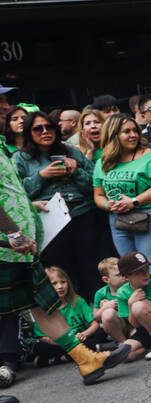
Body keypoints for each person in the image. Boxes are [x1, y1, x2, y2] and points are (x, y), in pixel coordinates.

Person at [0, 158, 130, 386]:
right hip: (8, 248)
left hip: (19, 252)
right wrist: (12, 233)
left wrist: (28, 210)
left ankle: (87, 360)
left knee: (44, 306)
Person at [15, 110, 111, 300]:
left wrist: (76, 172)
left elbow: (96, 185)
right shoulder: (20, 158)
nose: (45, 131)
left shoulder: (71, 150)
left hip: (82, 214)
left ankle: (100, 313)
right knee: (62, 270)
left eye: (49, 127)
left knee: (91, 266)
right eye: (38, 129)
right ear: (28, 132)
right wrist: (41, 176)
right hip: (50, 219)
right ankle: (76, 318)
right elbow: (18, 194)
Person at [91, 114, 151, 292]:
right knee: (132, 274)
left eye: (135, 131)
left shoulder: (149, 155)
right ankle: (148, 317)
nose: (133, 135)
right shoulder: (103, 162)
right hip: (119, 222)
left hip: (150, 217)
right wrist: (108, 205)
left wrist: (134, 201)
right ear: (113, 135)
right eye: (126, 132)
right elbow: (98, 194)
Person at [31, 265, 104, 366]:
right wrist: (59, 342)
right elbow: (42, 337)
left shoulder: (77, 301)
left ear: (68, 283)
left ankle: (58, 359)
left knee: (100, 332)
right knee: (40, 347)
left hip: (80, 339)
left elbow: (94, 323)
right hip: (60, 344)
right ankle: (79, 353)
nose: (60, 286)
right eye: (54, 283)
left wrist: (84, 334)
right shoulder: (43, 310)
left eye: (63, 282)